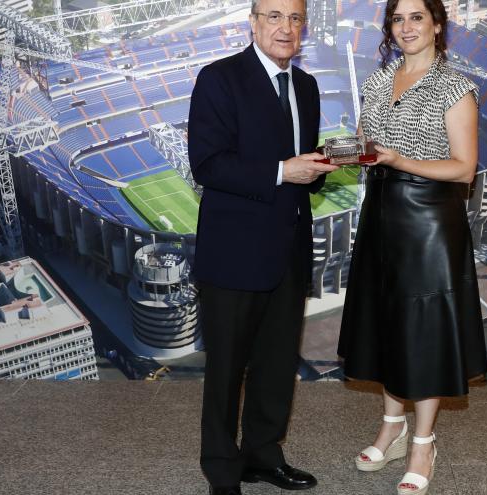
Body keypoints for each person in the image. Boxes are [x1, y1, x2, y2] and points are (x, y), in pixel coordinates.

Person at [187, 0, 339, 493]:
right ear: (253, 22)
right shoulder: (219, 78)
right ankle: (221, 467)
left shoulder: (308, 87)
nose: (286, 27)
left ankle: (263, 454)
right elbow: (207, 165)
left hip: (289, 247)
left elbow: (301, 171)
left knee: (276, 364)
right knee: (228, 366)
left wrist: (320, 168)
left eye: (295, 18)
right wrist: (282, 171)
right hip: (233, 251)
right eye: (274, 16)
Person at [337, 0, 487, 494]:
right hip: (380, 213)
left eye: (416, 17)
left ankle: (423, 441)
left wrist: (400, 159)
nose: (406, 27)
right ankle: (392, 426)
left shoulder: (454, 87)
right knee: (385, 322)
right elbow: (369, 142)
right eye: (397, 19)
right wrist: (349, 151)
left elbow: (463, 168)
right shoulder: (380, 80)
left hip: (428, 222)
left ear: (437, 25)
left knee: (422, 331)